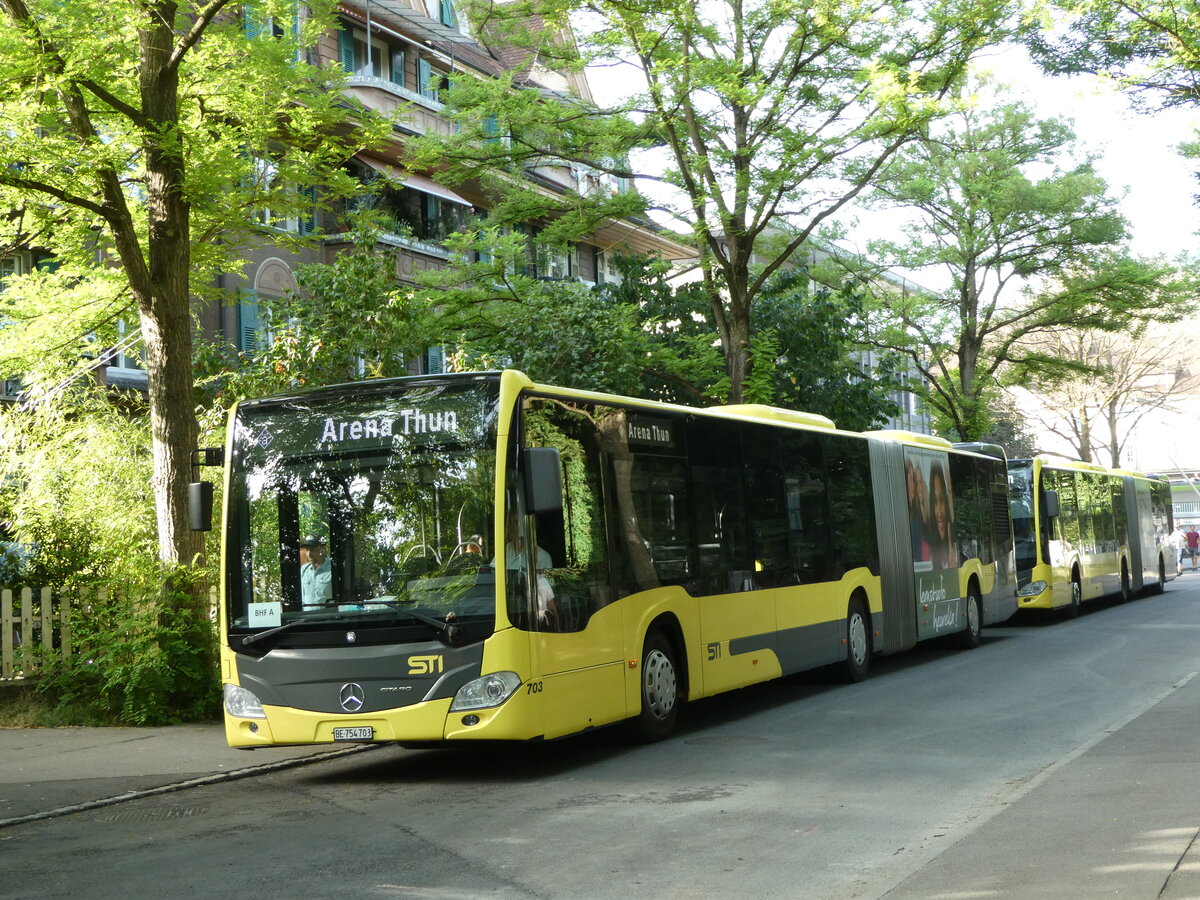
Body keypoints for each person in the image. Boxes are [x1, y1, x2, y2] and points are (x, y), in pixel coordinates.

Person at [928, 464, 958, 570]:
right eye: (935, 501)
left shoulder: (957, 551)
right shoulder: (929, 555)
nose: (939, 513)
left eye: (943, 500)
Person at [300, 535, 333, 609]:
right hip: (307, 619)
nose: (309, 554)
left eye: (313, 550)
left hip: (328, 619)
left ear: (323, 549)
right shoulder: (304, 570)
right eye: (307, 550)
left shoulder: (334, 569)